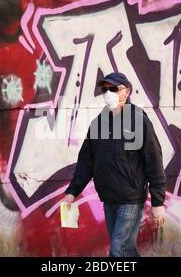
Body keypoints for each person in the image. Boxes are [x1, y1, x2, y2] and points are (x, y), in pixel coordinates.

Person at [62, 72, 166, 257]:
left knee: (117, 250)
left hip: (130, 199)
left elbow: (154, 161)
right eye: (105, 89)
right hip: (108, 198)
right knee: (126, 250)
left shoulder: (139, 121)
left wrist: (158, 202)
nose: (108, 93)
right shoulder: (97, 124)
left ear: (126, 92)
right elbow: (86, 162)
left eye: (113, 89)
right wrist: (72, 193)